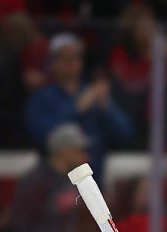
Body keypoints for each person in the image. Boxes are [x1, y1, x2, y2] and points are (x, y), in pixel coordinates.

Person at [24, 33, 134, 175]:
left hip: (94, 182)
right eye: (67, 59)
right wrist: (76, 108)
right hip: (56, 182)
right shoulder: (42, 98)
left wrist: (108, 107)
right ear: (53, 63)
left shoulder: (93, 95)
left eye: (77, 58)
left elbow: (126, 134)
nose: (72, 64)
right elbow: (41, 134)